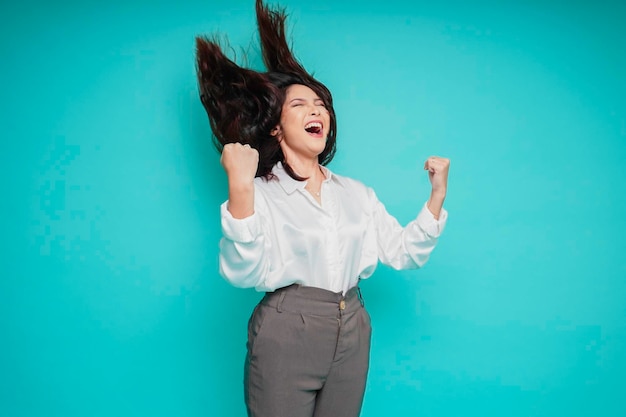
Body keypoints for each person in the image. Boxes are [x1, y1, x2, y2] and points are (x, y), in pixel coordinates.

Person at [195, 1, 449, 416]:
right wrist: (240, 187)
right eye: (300, 105)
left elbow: (403, 253)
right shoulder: (262, 191)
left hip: (353, 327)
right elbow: (243, 273)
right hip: (286, 328)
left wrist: (436, 196)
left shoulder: (356, 193)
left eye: (321, 105)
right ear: (275, 126)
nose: (317, 111)